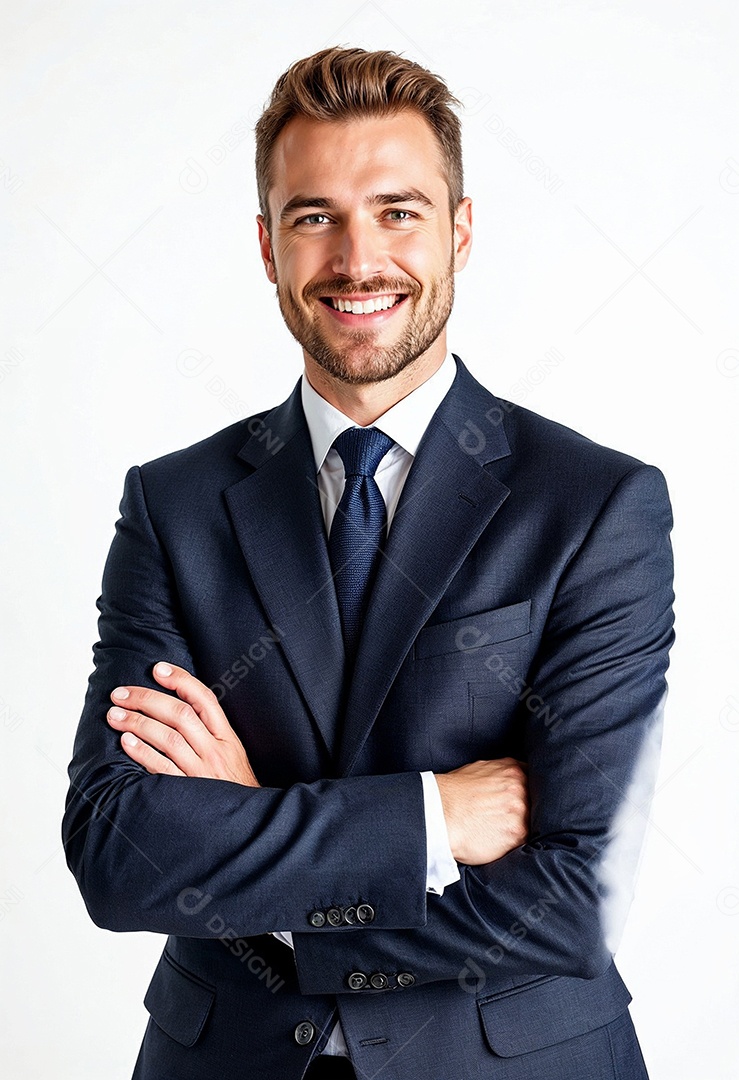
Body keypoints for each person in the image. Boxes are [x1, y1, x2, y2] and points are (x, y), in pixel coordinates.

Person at [63, 46, 674, 1080]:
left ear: (460, 231)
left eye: (397, 211)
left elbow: (573, 899)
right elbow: (122, 855)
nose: (357, 259)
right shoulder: (174, 506)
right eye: (315, 217)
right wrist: (434, 819)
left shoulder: (594, 505)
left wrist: (254, 833)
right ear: (267, 246)